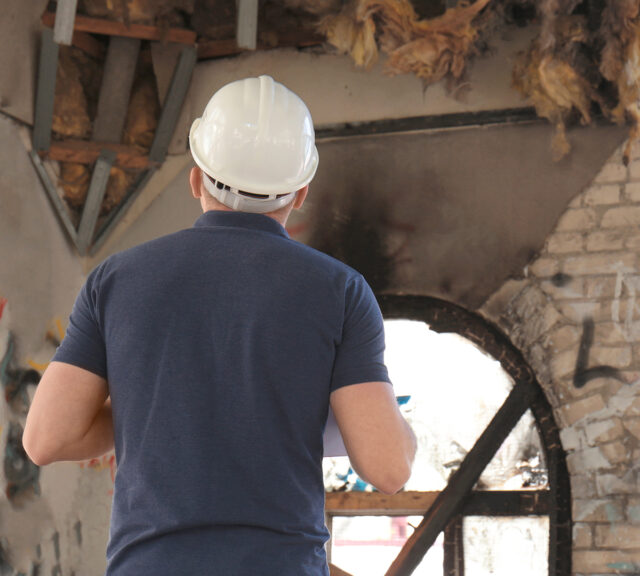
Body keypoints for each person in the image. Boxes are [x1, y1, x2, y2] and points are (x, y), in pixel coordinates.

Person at [23, 76, 417, 575]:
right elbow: (387, 468)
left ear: (195, 179)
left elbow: (45, 440)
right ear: (300, 192)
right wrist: (404, 434)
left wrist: (144, 408)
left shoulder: (116, 280)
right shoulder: (340, 291)